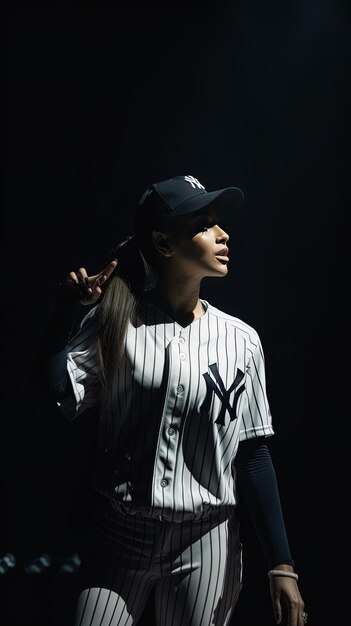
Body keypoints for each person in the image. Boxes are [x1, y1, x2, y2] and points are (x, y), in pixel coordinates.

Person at [40, 174, 307, 626]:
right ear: (164, 242)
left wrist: (281, 564)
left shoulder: (242, 340)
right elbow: (53, 392)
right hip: (119, 534)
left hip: (206, 538)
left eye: (218, 223)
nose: (223, 234)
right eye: (204, 224)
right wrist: (67, 312)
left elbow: (254, 456)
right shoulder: (116, 320)